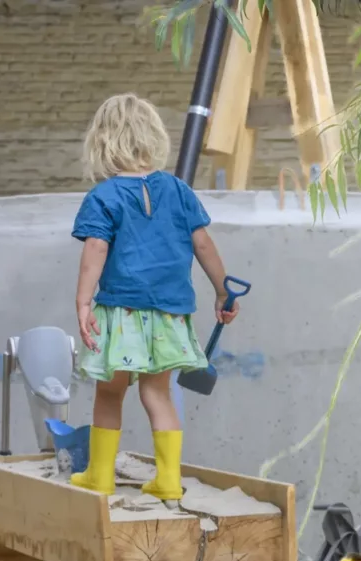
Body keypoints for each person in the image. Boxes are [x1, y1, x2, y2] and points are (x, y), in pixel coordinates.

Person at [68, 93, 240, 499]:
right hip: (169, 314)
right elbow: (204, 245)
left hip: (122, 311)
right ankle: (167, 480)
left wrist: (82, 301)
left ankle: (101, 476)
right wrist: (222, 291)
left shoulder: (105, 196)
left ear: (103, 141)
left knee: (110, 392)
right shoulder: (178, 190)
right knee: (157, 392)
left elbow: (96, 249)